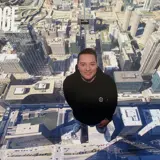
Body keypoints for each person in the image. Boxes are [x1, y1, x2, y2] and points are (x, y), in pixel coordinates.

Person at [63, 48, 117, 134]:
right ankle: (80, 124)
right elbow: (70, 102)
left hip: (99, 118)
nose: (88, 69)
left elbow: (113, 103)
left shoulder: (108, 82)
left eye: (92, 64)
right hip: (80, 116)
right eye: (83, 64)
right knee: (79, 121)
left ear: (96, 65)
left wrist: (108, 118)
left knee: (100, 125)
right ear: (78, 65)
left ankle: (100, 127)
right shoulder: (69, 82)